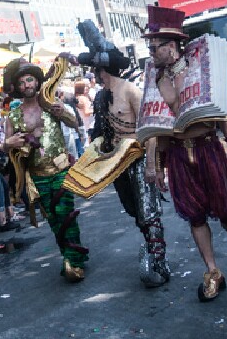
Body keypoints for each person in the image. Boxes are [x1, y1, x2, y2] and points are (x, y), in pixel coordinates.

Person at [145, 5, 227, 301]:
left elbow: (223, 114)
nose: (151, 52)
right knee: (195, 217)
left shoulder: (199, 69)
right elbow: (154, 126)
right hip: (180, 155)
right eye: (149, 46)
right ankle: (212, 270)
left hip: (208, 148)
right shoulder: (154, 80)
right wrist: (156, 165)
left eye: (155, 46)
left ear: (171, 45)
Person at [76, 19, 170, 287]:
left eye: (95, 68)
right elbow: (102, 135)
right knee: (135, 211)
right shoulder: (102, 97)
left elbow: (150, 129)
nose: (93, 73)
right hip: (119, 164)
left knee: (149, 211)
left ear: (103, 70)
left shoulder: (130, 91)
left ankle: (159, 263)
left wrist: (152, 165)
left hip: (140, 159)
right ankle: (153, 251)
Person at [2, 57, 89, 282]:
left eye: (30, 80)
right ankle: (70, 254)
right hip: (37, 176)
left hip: (60, 170)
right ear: (18, 88)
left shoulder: (50, 104)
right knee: (52, 219)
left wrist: (63, 113)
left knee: (65, 214)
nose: (27, 85)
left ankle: (74, 262)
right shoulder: (12, 115)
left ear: (37, 81)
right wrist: (7, 144)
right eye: (22, 83)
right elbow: (6, 145)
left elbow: (74, 124)